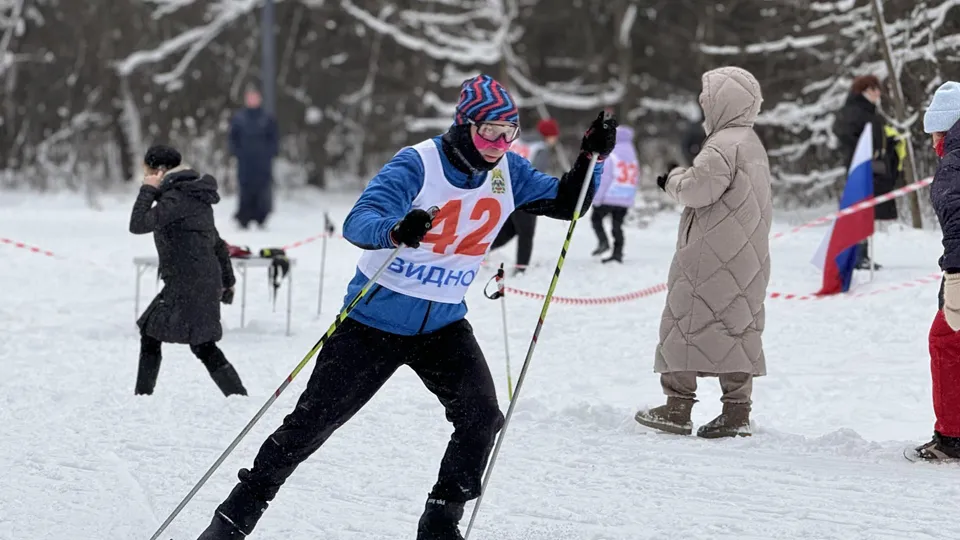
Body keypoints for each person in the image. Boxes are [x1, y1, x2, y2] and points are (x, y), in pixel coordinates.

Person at [195, 74, 617, 540]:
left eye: (509, 131)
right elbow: (360, 220)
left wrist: (591, 158)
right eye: (488, 131)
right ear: (463, 125)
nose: (499, 143)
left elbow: (568, 204)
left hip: (442, 324)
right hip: (373, 322)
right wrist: (396, 230)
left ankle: (440, 520)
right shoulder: (418, 164)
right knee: (309, 426)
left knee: (481, 418)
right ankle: (234, 519)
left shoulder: (509, 171)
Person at [635, 66, 772, 439]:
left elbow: (697, 190)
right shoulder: (752, 143)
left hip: (712, 252)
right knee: (737, 326)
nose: (704, 106)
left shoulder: (723, 145)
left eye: (707, 100)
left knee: (684, 321)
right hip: (746, 253)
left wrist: (672, 179)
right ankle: (737, 411)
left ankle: (677, 407)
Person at [129, 145, 247, 397]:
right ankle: (238, 397)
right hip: (196, 281)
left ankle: (142, 397)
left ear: (159, 171)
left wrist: (148, 189)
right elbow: (216, 242)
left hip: (188, 283)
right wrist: (227, 280)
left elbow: (138, 224)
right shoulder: (191, 194)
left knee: (193, 342)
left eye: (147, 171)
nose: (144, 175)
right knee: (192, 342)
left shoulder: (176, 198)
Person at [910, 81, 960, 461]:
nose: (932, 144)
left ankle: (952, 437)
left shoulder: (953, 166)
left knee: (945, 341)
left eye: (934, 134)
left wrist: (955, 277)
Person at [832, 74, 905, 270]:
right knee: (859, 211)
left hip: (872, 168)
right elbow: (844, 134)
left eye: (877, 89)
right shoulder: (854, 112)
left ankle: (861, 254)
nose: (877, 93)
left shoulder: (870, 113)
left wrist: (890, 143)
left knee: (866, 211)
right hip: (859, 167)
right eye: (872, 89)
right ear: (862, 91)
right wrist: (863, 150)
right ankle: (855, 255)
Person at [489, 118, 563, 275]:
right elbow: (537, 173)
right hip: (524, 194)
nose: (554, 140)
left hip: (504, 188)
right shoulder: (541, 148)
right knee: (526, 232)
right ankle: (521, 268)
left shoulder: (519, 139)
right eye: (554, 136)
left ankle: (483, 249)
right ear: (547, 135)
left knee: (512, 228)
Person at [229, 85, 279, 230]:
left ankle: (261, 217)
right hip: (245, 161)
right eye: (249, 97)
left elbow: (274, 138)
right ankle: (243, 217)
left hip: (262, 162)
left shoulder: (267, 117)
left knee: (262, 189)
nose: (252, 100)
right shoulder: (239, 118)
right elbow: (233, 138)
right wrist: (237, 152)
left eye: (254, 97)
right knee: (245, 188)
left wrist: (269, 153)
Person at [591, 125, 639, 263]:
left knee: (596, 219)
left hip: (609, 196)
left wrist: (597, 198)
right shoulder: (632, 156)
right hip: (625, 197)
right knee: (617, 226)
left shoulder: (611, 154)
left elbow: (605, 178)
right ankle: (617, 253)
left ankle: (603, 242)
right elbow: (636, 177)